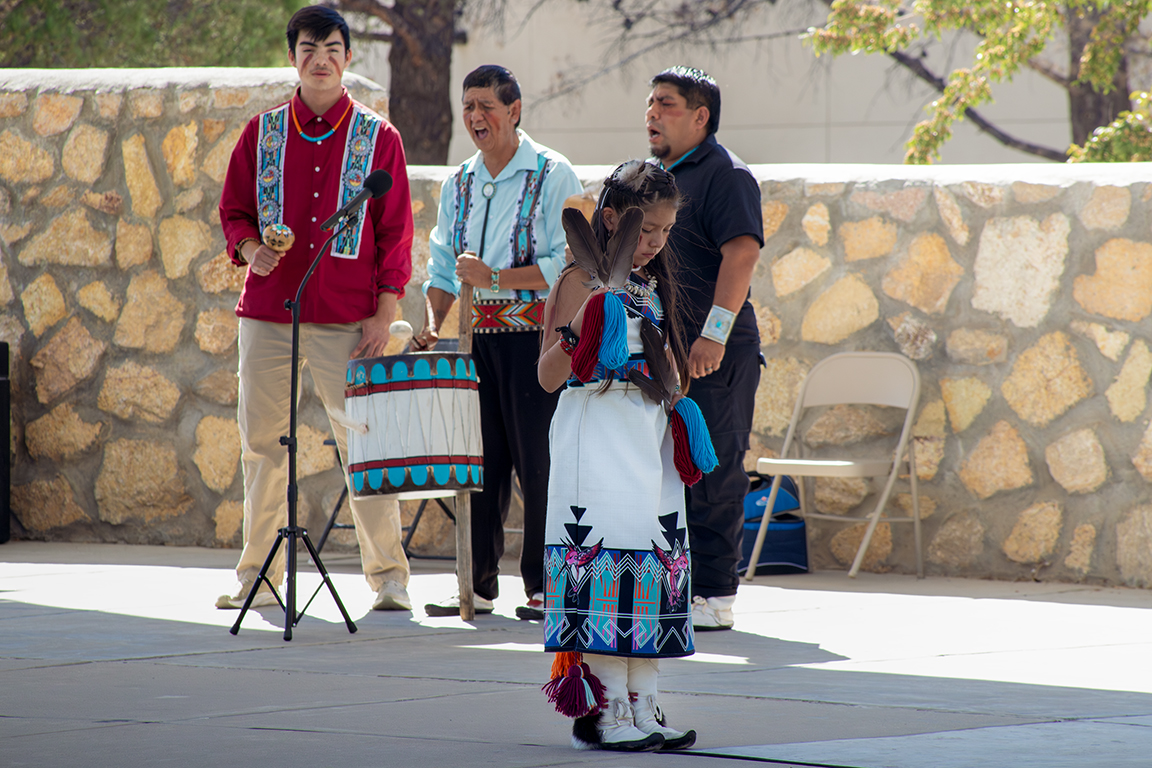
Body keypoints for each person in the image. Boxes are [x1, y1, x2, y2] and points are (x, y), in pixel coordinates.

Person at [217, 5, 413, 612]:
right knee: (261, 446)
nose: (320, 58)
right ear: (293, 56)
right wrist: (251, 250)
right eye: (308, 47)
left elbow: (395, 233)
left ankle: (389, 580)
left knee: (364, 447)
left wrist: (385, 313)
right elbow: (234, 212)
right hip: (269, 313)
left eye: (331, 47)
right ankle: (259, 577)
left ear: (348, 57)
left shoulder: (380, 138)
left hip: (348, 320)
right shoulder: (262, 132)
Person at [538, 161, 706, 751]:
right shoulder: (578, 282)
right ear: (611, 219)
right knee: (608, 558)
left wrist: (677, 399)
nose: (656, 243)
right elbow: (548, 377)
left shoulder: (649, 286)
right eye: (648, 230)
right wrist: (578, 328)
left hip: (648, 439)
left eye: (665, 231)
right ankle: (603, 712)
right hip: (595, 435)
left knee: (651, 563)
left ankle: (645, 707)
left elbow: (667, 364)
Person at [414, 65, 583, 619]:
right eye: (468, 107)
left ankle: (543, 588)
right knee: (478, 466)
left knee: (539, 464)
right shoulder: (458, 181)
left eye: (486, 105)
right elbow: (442, 264)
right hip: (474, 342)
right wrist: (432, 321)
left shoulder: (553, 172)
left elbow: (571, 260)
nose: (475, 117)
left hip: (536, 342)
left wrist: (493, 279)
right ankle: (477, 585)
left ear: (515, 111)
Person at [645, 67, 764, 631]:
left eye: (665, 105)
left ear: (700, 117)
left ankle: (716, 594)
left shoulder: (726, 175)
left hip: (715, 354)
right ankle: (678, 586)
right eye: (649, 104)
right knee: (672, 471)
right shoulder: (654, 177)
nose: (652, 114)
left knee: (715, 472)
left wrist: (712, 334)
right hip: (665, 356)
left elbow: (741, 254)